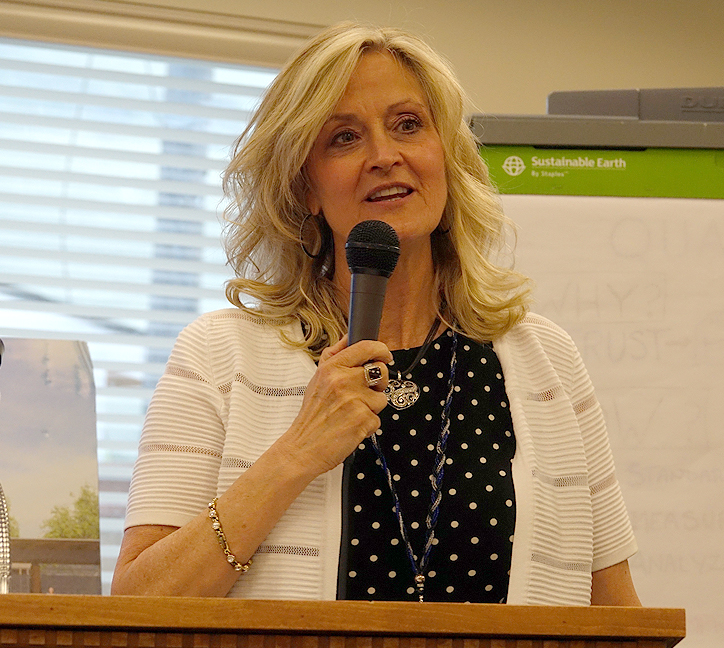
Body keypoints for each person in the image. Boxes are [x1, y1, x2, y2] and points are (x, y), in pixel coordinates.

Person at [111, 22, 640, 606]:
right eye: (344, 138)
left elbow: (618, 616)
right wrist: (296, 454)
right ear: (305, 187)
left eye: (408, 125)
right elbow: (137, 606)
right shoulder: (219, 355)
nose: (385, 157)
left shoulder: (546, 360)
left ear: (447, 155)